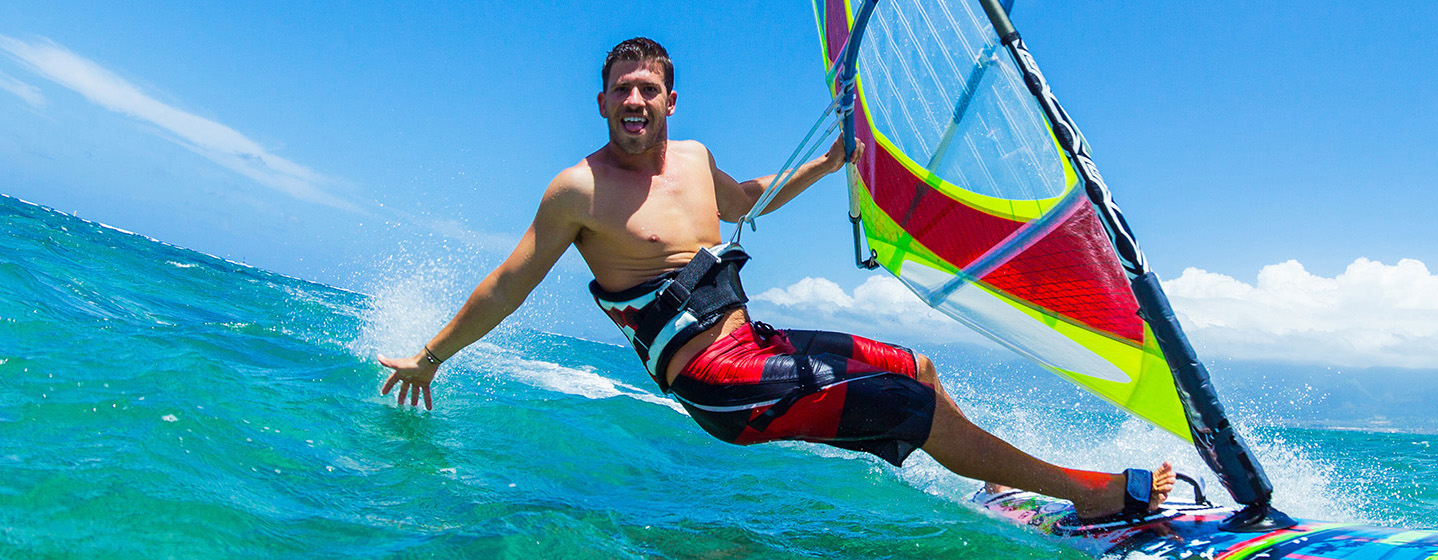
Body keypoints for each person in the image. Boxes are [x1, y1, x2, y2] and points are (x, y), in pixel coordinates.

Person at [375, 37, 1171, 524]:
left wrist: (830, 164)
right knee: (913, 406)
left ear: (671, 100)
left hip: (756, 344)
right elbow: (507, 283)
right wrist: (431, 356)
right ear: (602, 102)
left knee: (915, 370)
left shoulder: (690, 159)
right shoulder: (577, 191)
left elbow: (747, 200)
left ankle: (989, 469)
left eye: (649, 89)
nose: (636, 101)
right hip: (717, 384)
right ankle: (1086, 493)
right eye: (622, 90)